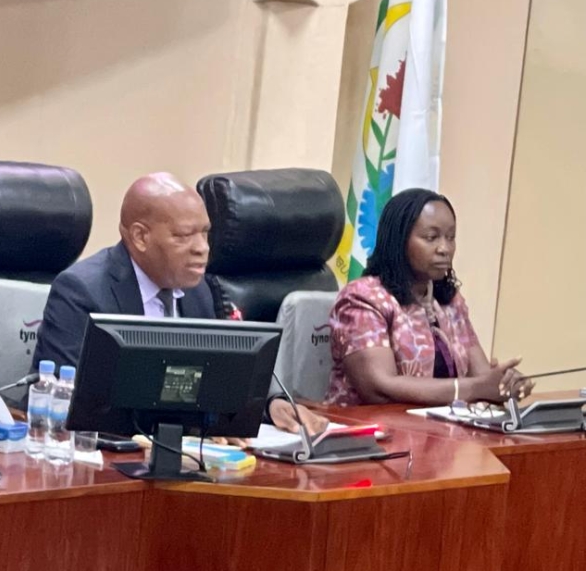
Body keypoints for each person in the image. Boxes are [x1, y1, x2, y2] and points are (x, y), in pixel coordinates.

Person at [32, 172, 327, 434]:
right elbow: (65, 397)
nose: (202, 249)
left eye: (205, 232)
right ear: (140, 237)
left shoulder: (200, 291)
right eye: (184, 236)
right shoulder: (82, 290)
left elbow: (219, 378)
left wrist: (270, 405)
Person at [325, 187, 531, 406]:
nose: (445, 249)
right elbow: (378, 388)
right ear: (399, 241)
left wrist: (504, 384)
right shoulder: (363, 298)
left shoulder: (450, 302)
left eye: (451, 237)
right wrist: (476, 388)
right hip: (372, 434)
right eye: (431, 237)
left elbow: (481, 377)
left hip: (439, 432)